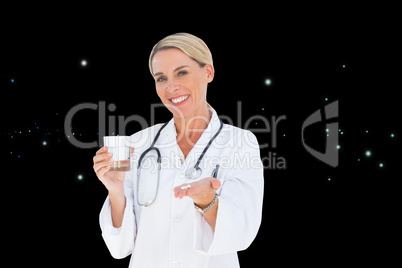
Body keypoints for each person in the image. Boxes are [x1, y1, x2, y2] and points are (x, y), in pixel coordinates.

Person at [93, 32, 264, 268]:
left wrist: (208, 202)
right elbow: (119, 248)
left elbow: (243, 233)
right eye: (160, 78)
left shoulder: (241, 143)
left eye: (181, 72)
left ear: (208, 73)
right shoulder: (137, 144)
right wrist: (115, 191)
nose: (171, 87)